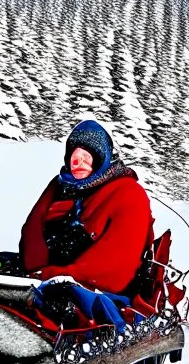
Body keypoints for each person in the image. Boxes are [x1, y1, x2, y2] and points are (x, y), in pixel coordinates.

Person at [20, 120, 154, 301]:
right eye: (75, 156)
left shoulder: (129, 194)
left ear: (101, 158)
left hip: (98, 293)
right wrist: (37, 273)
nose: (79, 163)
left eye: (87, 157)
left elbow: (115, 266)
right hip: (44, 278)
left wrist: (52, 276)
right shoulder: (59, 186)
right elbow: (32, 229)